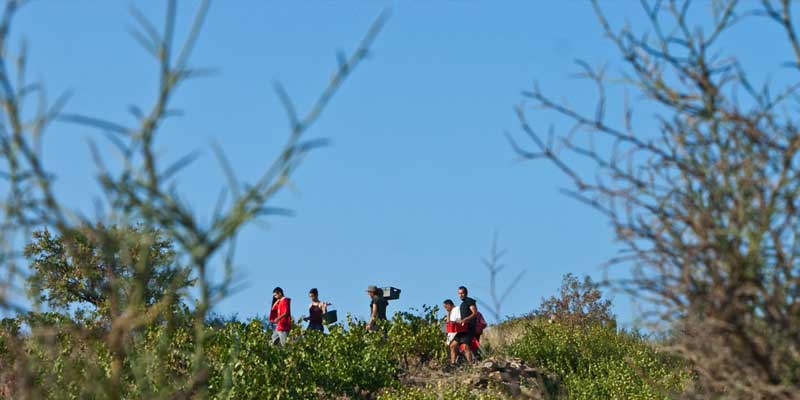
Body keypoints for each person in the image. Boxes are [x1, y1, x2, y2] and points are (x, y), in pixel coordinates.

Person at [454, 286, 478, 362]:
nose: (460, 295)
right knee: (453, 345)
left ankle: (471, 365)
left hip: (469, 327)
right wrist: (460, 320)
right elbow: (464, 316)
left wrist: (465, 319)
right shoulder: (462, 304)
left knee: (466, 347)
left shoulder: (470, 301)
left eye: (462, 293)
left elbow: (475, 313)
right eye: (459, 293)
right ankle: (453, 364)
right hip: (462, 328)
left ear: (466, 293)